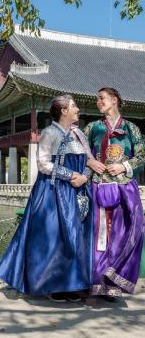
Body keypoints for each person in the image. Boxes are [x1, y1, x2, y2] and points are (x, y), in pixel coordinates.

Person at [0, 94, 94, 301]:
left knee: (76, 236)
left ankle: (72, 283)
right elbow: (43, 164)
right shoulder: (49, 132)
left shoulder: (80, 135)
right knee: (53, 237)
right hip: (53, 190)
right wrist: (70, 175)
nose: (77, 109)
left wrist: (84, 177)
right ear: (64, 111)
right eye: (74, 106)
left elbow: (90, 160)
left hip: (78, 190)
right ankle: (51, 285)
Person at [85, 87, 145, 299]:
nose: (98, 102)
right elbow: (80, 152)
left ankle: (114, 282)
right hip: (98, 186)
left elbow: (142, 156)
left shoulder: (132, 129)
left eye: (101, 98)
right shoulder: (92, 128)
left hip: (124, 187)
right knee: (98, 234)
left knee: (125, 232)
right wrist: (91, 161)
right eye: (97, 99)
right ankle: (96, 281)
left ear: (114, 100)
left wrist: (124, 166)